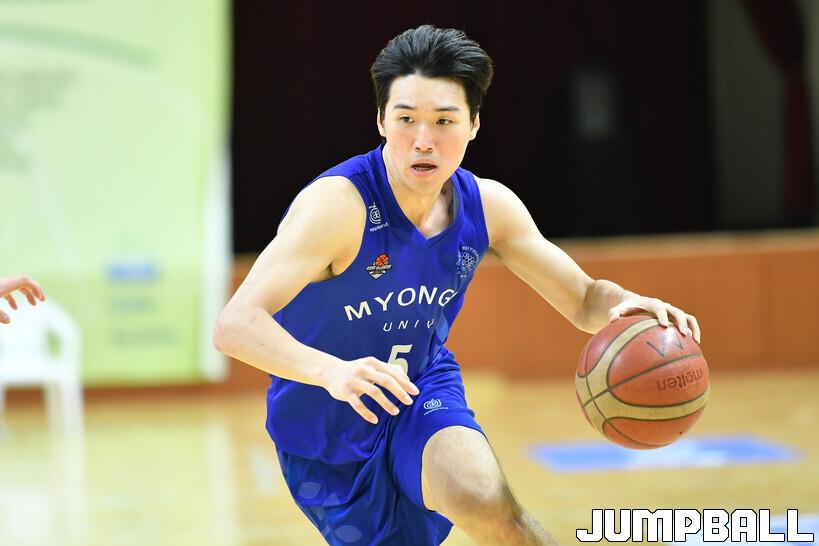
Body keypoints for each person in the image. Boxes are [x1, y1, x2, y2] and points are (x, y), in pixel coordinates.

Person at [213, 25, 701, 546]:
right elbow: (235, 324)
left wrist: (626, 305)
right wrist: (331, 371)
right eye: (406, 119)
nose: (423, 140)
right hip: (324, 424)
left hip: (419, 390)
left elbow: (583, 300)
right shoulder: (338, 206)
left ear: (473, 125)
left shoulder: (489, 206)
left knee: (486, 501)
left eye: (444, 121)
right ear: (380, 120)